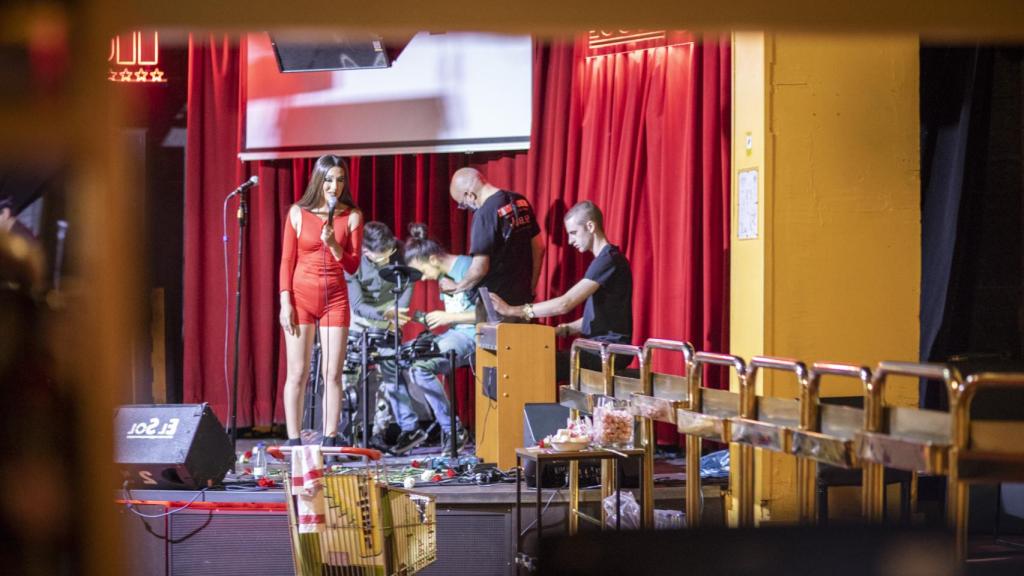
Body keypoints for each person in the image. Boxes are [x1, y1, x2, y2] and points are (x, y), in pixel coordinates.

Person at [489, 201, 632, 381]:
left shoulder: (608, 260)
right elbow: (603, 317)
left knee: (531, 363)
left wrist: (513, 311)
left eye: (573, 233)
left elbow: (565, 304)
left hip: (607, 352)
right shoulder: (605, 260)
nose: (570, 241)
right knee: (535, 358)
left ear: (590, 226)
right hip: (599, 349)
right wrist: (561, 330)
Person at [279, 155, 363, 448]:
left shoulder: (352, 216)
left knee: (332, 372)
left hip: (335, 300)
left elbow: (352, 266)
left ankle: (329, 437)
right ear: (319, 180)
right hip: (300, 298)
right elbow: (287, 260)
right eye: (329, 179)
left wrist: (334, 244)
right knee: (298, 371)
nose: (334, 186)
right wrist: (284, 302)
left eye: (340, 180)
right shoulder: (298, 213)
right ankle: (293, 438)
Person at [346, 221, 426, 455]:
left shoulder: (398, 254)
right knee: (349, 377)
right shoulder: (352, 262)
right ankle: (347, 433)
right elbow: (358, 305)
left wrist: (396, 315)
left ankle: (391, 431)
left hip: (390, 317)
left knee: (390, 374)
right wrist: (384, 314)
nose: (387, 258)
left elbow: (408, 282)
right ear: (365, 252)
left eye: (389, 252)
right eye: (381, 256)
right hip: (360, 318)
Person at [403, 223, 473, 455]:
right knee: (405, 354)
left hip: (474, 335)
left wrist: (448, 316)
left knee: (420, 366)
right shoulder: (443, 277)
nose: (423, 279)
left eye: (422, 271)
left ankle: (452, 430)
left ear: (433, 259)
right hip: (455, 333)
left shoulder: (468, 267)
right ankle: (411, 427)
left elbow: (486, 314)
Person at [443, 167, 544, 315]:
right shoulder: (520, 201)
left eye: (463, 204)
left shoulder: (484, 214)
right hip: (522, 299)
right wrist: (531, 288)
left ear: (469, 195)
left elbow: (479, 268)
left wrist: (457, 286)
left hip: (496, 304)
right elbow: (539, 248)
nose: (467, 208)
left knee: (495, 339)